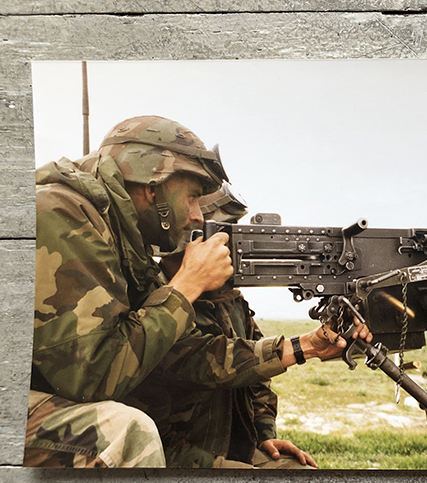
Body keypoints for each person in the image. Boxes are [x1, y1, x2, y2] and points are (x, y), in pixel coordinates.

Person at [26, 115, 370, 468]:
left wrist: (305, 346)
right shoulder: (60, 212)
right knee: (124, 433)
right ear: (152, 185)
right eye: (191, 198)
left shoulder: (125, 246)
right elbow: (91, 377)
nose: (194, 216)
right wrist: (187, 284)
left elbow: (181, 352)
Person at [124, 184, 317, 468]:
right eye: (225, 234)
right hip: (170, 453)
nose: (233, 245)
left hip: (232, 447)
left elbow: (257, 380)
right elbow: (208, 359)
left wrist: (263, 435)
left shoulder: (230, 301)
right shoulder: (153, 299)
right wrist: (304, 347)